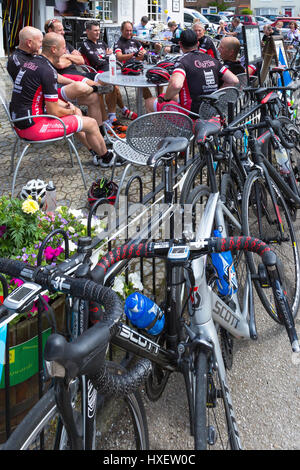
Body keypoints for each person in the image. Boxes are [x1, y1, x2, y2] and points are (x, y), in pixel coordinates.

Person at [9, 32, 115, 168]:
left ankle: (97, 152)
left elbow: (39, 99)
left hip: (20, 121)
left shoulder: (33, 63)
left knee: (77, 113)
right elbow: (54, 112)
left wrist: (69, 109)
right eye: (63, 47)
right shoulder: (47, 71)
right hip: (32, 127)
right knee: (91, 123)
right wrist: (70, 110)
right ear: (54, 49)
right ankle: (107, 158)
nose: (66, 51)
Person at [145, 29, 239, 115]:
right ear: (197, 44)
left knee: (149, 102)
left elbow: (175, 85)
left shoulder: (182, 62)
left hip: (191, 113)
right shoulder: (212, 60)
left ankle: (164, 131)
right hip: (211, 108)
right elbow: (234, 80)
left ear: (180, 44)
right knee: (171, 96)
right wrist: (217, 95)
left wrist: (166, 99)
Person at [114, 21, 152, 100]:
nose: (129, 33)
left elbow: (144, 51)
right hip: (129, 70)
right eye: (127, 30)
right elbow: (119, 57)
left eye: (130, 30)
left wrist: (142, 53)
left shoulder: (135, 41)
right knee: (144, 85)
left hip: (141, 67)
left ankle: (159, 102)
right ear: (122, 30)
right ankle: (152, 103)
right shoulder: (119, 43)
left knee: (158, 78)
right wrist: (134, 55)